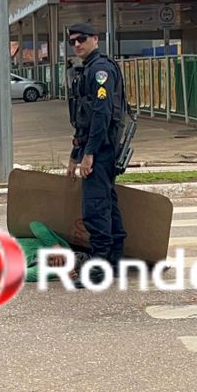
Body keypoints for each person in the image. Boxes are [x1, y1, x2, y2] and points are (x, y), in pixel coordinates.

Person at [65, 21, 126, 280]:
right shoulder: (89, 69)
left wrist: (89, 154)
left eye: (82, 39)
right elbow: (85, 119)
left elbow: (101, 115)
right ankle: (113, 264)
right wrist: (74, 155)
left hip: (101, 150)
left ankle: (100, 269)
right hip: (95, 148)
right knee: (107, 206)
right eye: (72, 41)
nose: (77, 44)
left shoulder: (100, 70)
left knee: (96, 209)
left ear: (95, 39)